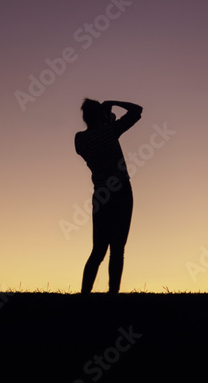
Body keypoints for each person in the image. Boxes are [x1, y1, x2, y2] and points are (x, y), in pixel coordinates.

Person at [74, 98, 143, 294]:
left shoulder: (79, 139)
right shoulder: (110, 131)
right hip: (121, 191)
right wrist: (112, 103)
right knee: (118, 249)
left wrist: (106, 117)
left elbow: (99, 132)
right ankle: (113, 294)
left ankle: (84, 294)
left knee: (98, 250)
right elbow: (137, 110)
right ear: (101, 116)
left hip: (101, 194)